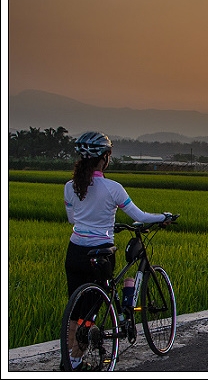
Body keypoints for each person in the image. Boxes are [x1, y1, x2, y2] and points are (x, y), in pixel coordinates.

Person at [63, 131, 173, 370]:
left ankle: (68, 361)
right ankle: (76, 362)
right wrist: (164, 216)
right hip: (100, 253)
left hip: (74, 252)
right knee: (90, 311)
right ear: (105, 158)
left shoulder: (70, 187)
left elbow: (73, 217)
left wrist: (95, 220)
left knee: (75, 309)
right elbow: (139, 216)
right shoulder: (113, 188)